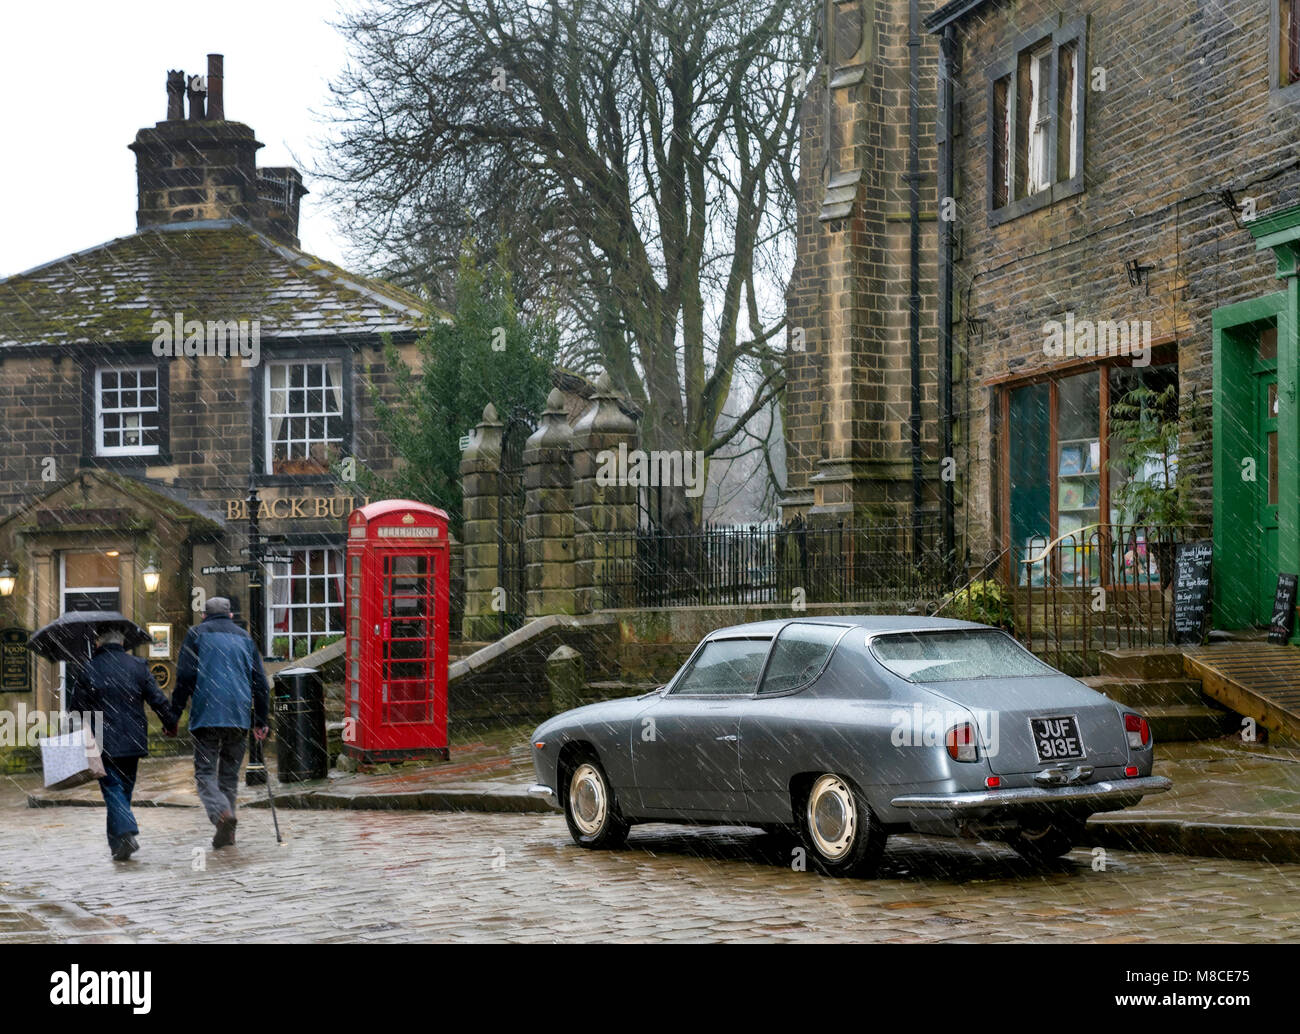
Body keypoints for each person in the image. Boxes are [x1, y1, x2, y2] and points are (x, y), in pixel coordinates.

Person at [66, 629, 176, 861]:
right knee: (123, 788)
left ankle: (125, 834)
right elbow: (157, 698)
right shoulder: (137, 666)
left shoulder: (89, 669)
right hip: (133, 739)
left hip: (102, 740)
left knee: (113, 789)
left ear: (98, 643)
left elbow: (76, 710)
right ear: (123, 642)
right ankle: (118, 846)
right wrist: (169, 722)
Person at [171, 597, 270, 850]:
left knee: (205, 773)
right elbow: (260, 681)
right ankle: (227, 834)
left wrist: (173, 715)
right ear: (230, 615)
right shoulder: (245, 639)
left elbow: (183, 678)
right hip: (238, 715)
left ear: (204, 615)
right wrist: (261, 719)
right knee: (229, 776)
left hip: (207, 714)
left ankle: (222, 815)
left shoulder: (196, 634)